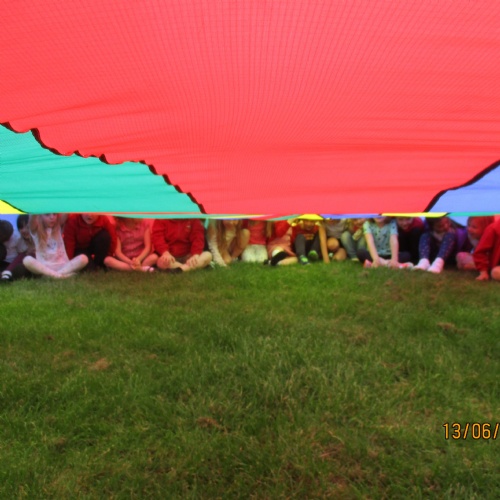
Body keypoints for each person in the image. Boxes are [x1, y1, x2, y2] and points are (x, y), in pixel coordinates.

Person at [23, 214, 88, 278]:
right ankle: (59, 275)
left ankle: (55, 275)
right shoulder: (36, 230)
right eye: (47, 215)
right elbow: (33, 217)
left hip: (63, 266)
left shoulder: (58, 227)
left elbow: (66, 211)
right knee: (27, 260)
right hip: (45, 267)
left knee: (84, 258)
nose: (52, 217)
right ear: (40, 217)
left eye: (54, 214)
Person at [1, 214, 36, 283]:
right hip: (8, 264)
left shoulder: (38, 238)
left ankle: (7, 274)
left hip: (33, 265)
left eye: (27, 227)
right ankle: (5, 275)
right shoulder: (22, 239)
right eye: (21, 228)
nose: (24, 230)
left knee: (23, 262)